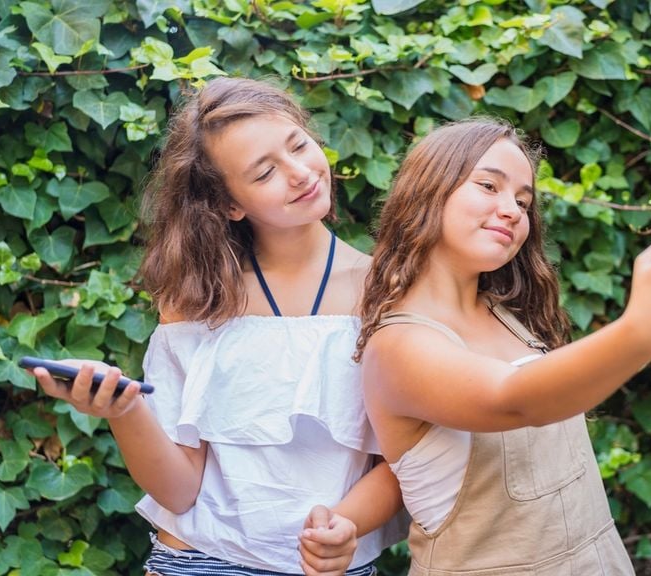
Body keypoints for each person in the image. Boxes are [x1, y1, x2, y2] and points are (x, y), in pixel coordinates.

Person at [31, 77, 404, 576]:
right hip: (196, 562)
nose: (299, 173)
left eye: (299, 145)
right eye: (265, 172)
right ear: (230, 204)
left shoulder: (388, 288)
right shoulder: (197, 300)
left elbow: (405, 461)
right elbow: (179, 491)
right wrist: (124, 411)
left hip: (331, 567)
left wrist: (346, 526)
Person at [355, 118, 651, 575]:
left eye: (523, 200)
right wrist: (643, 328)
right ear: (427, 191)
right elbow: (514, 398)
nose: (513, 210)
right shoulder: (398, 346)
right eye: (488, 186)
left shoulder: (506, 314)